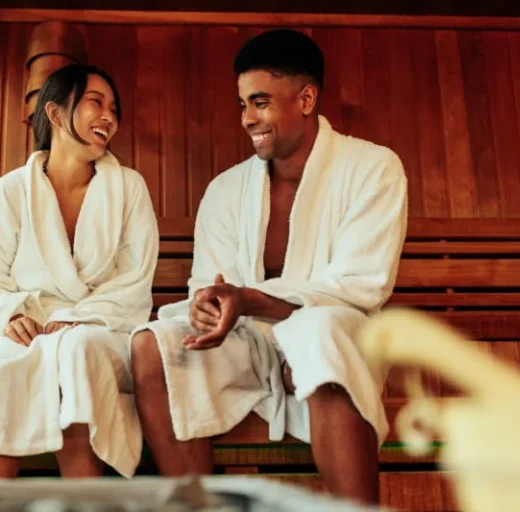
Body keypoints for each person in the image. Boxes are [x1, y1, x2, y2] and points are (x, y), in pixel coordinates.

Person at [130, 29, 407, 505]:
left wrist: (255, 300)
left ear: (306, 98)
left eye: (259, 102)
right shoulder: (225, 190)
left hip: (334, 336)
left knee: (318, 331)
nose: (247, 119)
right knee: (152, 345)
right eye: (242, 105)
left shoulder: (373, 168)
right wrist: (208, 308)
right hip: (245, 343)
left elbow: (362, 285)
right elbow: (207, 284)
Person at [0, 64, 159, 481]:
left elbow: (134, 280)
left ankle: (82, 502)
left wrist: (77, 319)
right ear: (57, 114)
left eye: (114, 109)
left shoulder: (129, 189)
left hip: (101, 328)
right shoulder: (10, 193)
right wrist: (9, 317)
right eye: (95, 103)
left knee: (78, 352)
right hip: (25, 333)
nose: (109, 118)